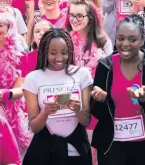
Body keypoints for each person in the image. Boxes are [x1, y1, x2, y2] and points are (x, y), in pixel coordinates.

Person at [91, 14, 145, 165]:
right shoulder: (105, 66)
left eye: (132, 39)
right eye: (120, 38)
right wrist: (100, 101)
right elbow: (97, 113)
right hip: (111, 145)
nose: (125, 44)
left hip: (144, 146)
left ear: (142, 41)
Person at [23, 28, 93, 165]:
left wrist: (77, 110)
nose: (59, 57)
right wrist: (45, 112)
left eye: (64, 52)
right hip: (45, 153)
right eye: (53, 53)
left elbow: (86, 121)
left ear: (70, 51)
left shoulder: (82, 74)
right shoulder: (33, 78)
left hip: (76, 151)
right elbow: (34, 127)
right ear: (44, 52)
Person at [0, 12, 31, 155]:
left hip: (12, 114)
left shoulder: (20, 55)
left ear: (10, 28)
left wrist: (4, 94)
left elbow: (21, 88)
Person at [66, 0, 112, 77]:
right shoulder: (65, 40)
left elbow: (110, 69)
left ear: (90, 17)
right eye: (72, 15)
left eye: (80, 16)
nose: (74, 19)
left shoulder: (103, 40)